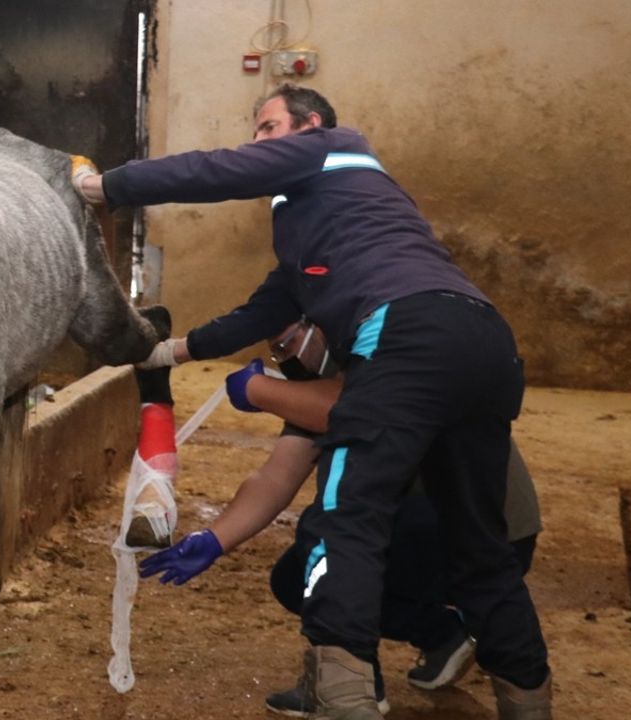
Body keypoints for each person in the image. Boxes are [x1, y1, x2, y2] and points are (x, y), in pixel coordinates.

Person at [74, 84, 551, 719]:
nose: (256, 142)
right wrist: (165, 353)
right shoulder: (324, 232)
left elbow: (217, 170)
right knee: (478, 544)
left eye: (268, 128)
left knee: (346, 522)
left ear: (312, 125)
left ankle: (344, 699)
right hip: (484, 343)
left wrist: (106, 187)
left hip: (405, 333)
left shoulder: (335, 148)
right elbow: (260, 313)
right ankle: (528, 699)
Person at [183, 320, 543, 717]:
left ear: (320, 328)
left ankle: (354, 684)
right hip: (453, 534)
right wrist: (214, 539)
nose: (286, 358)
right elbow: (274, 477)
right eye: (277, 352)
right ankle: (440, 632)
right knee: (292, 576)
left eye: (289, 343)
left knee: (333, 532)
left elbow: (354, 411)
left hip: (485, 538)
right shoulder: (326, 387)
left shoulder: (379, 364)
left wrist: (260, 391)